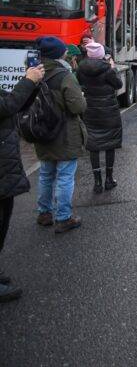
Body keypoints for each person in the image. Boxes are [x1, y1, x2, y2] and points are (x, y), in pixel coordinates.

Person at [33, 36, 87, 234]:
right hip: (65, 134)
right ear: (57, 54)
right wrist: (81, 97)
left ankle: (44, 213)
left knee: (46, 174)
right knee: (65, 176)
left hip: (42, 132)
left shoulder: (33, 73)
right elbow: (78, 106)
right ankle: (63, 217)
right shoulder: (64, 75)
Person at [0, 64, 44, 302]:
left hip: (4, 168)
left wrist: (33, 84)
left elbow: (13, 106)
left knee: (3, 222)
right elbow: (6, 106)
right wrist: (28, 81)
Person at [77, 42, 123, 193]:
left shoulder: (81, 69)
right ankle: (109, 179)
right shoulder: (108, 69)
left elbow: (80, 85)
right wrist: (113, 67)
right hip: (109, 112)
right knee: (110, 145)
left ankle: (97, 182)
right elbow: (118, 84)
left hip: (90, 111)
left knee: (94, 146)